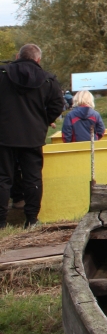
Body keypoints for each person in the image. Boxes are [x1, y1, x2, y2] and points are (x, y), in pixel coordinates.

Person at [0, 44, 65, 228]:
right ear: (38, 59)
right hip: (32, 136)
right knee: (33, 177)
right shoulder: (48, 80)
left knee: (2, 178)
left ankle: (1, 222)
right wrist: (42, 121)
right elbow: (57, 105)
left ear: (17, 56)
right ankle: (32, 219)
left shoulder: (2, 74)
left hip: (4, 135)